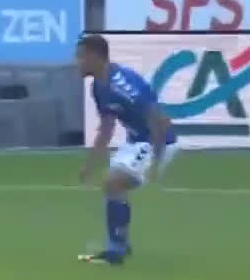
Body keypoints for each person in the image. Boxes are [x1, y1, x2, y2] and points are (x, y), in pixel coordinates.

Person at [76, 34, 178, 265]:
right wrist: (89, 165)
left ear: (95, 57)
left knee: (113, 182)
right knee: (112, 186)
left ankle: (116, 249)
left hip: (157, 141)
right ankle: (119, 244)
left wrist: (155, 163)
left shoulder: (123, 84)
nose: (78, 62)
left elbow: (160, 121)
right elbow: (107, 128)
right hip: (136, 142)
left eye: (81, 56)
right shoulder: (98, 87)